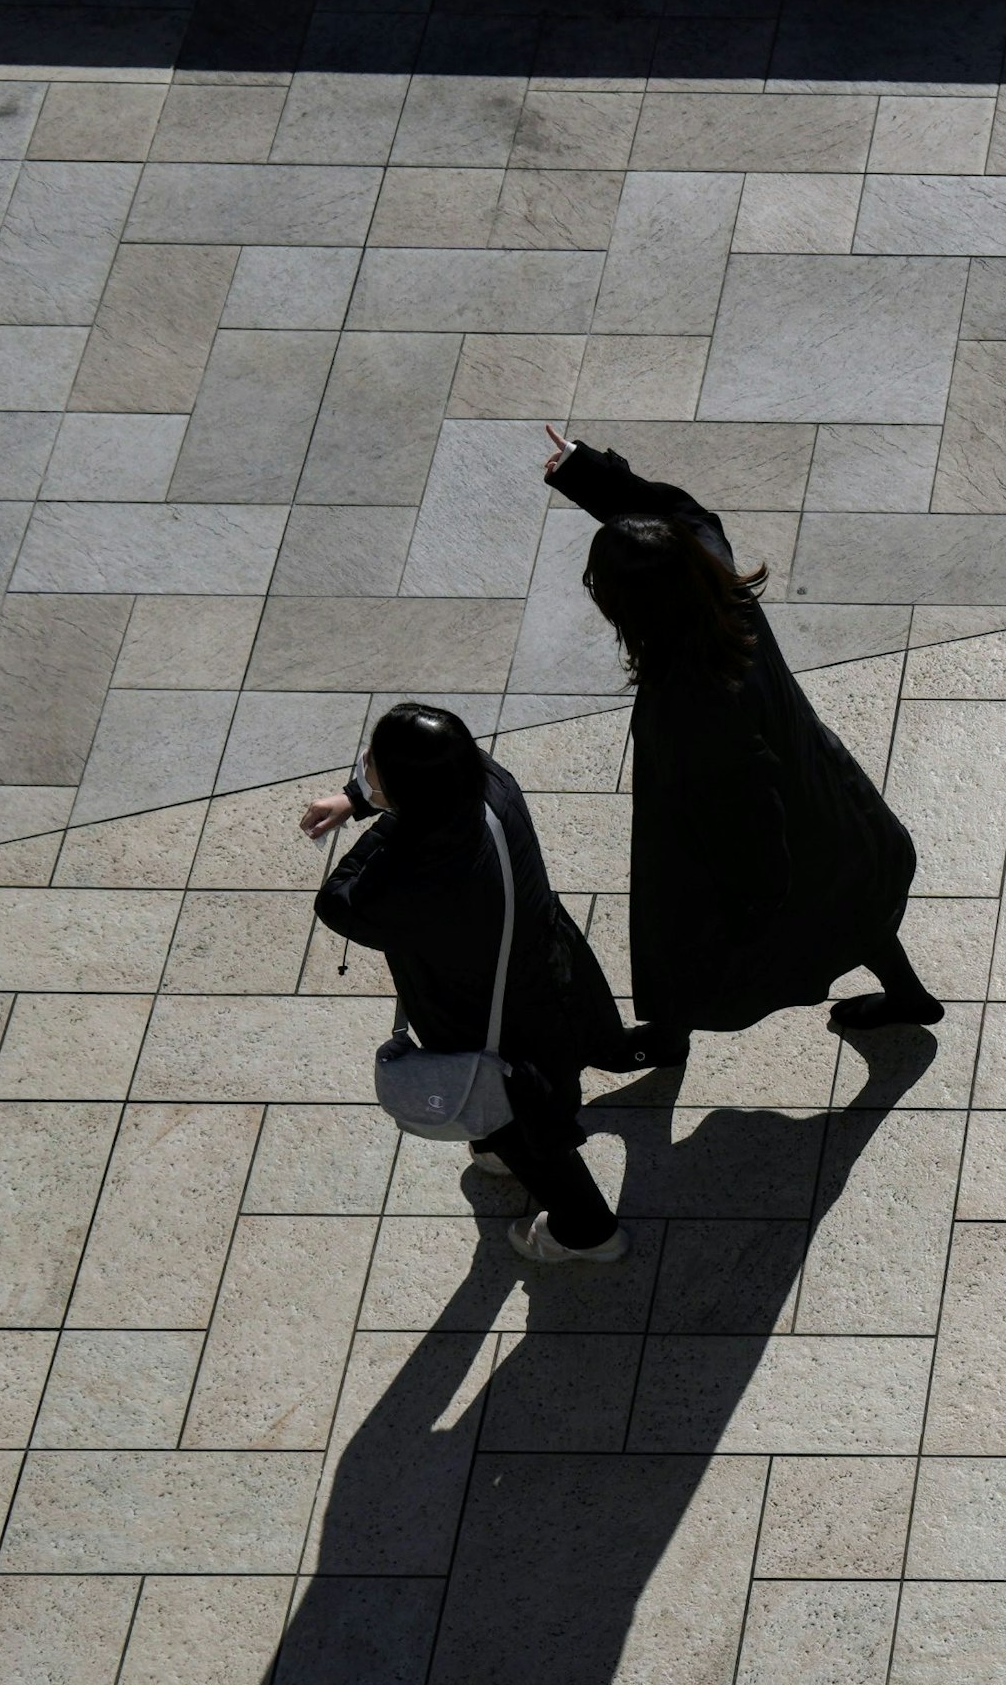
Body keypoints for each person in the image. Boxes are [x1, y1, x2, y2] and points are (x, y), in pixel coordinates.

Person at [543, 426, 938, 1065]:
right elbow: (684, 515)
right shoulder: (720, 586)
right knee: (854, 903)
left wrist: (755, 902)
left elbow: (742, 812)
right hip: (820, 796)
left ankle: (668, 1040)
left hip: (757, 849)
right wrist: (586, 472)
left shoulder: (690, 698)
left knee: (678, 946)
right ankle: (908, 995)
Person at [303, 702, 629, 1264]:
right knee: (542, 1086)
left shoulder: (424, 868)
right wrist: (361, 799)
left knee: (525, 1126)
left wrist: (378, 808)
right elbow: (433, 784)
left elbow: (340, 902)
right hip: (542, 963)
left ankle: (587, 1231)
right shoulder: (488, 781)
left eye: (373, 767)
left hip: (485, 1018)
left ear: (410, 795)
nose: (364, 769)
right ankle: (503, 1144)